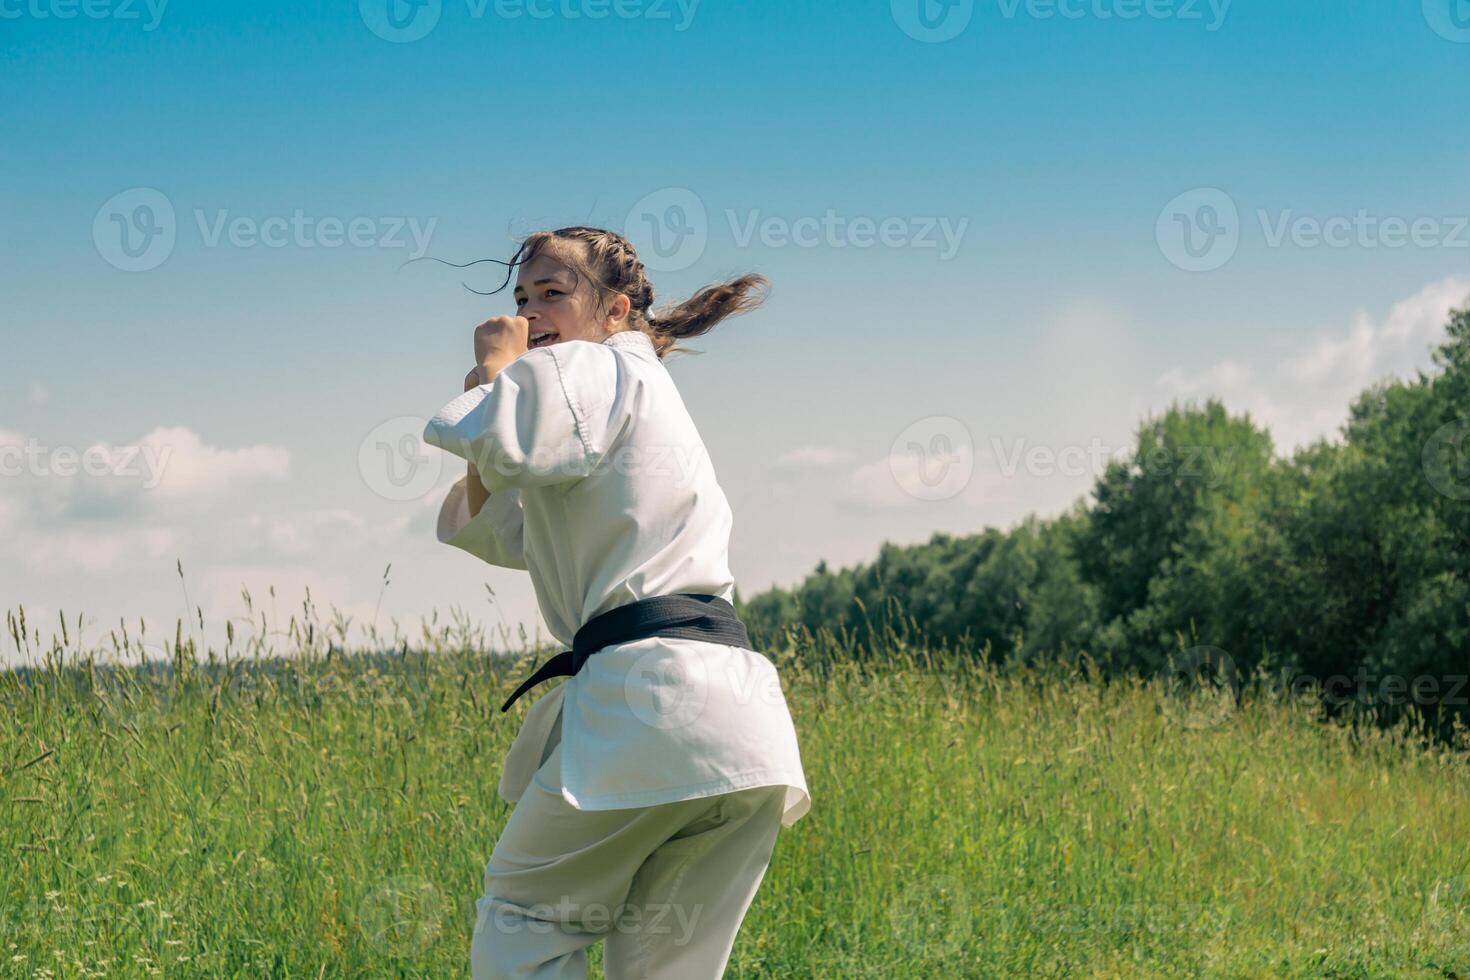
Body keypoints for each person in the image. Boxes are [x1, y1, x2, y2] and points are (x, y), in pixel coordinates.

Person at [421, 226, 811, 979]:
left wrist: (496, 369)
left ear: (615, 309)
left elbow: (504, 452)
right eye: (523, 297)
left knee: (527, 914)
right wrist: (496, 393)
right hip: (739, 721)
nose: (532, 313)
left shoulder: (587, 369)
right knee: (669, 965)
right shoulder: (623, 394)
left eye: (553, 294)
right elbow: (502, 515)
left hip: (650, 701)